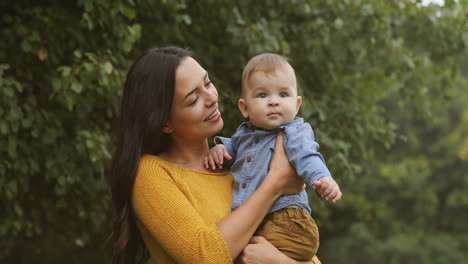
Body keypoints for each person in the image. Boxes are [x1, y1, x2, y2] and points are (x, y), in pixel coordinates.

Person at [109, 46, 323, 264]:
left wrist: (278, 262)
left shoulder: (242, 162)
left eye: (208, 83)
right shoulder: (152, 174)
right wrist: (275, 183)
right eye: (193, 100)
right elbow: (203, 256)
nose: (211, 98)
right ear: (165, 123)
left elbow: (304, 250)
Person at [205, 53, 342, 261]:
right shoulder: (243, 135)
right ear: (244, 107)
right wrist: (219, 150)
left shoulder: (294, 132)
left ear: (297, 104)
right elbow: (233, 149)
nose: (273, 102)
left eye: (283, 94)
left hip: (286, 218)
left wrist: (322, 179)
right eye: (262, 95)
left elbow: (307, 156)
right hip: (255, 220)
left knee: (244, 253)